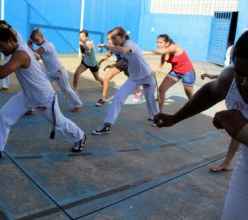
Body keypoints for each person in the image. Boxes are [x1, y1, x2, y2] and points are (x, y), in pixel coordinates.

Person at [154, 31, 248, 219]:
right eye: (240, 73)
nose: (245, 84)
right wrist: (175, 118)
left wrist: (244, 133)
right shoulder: (230, 78)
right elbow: (210, 92)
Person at [0, 28, 86, 161]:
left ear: (10, 41)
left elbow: (1, 73)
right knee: (3, 115)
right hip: (27, 96)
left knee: (59, 123)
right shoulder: (19, 43)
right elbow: (15, 33)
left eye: (1, 45)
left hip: (43, 97)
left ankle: (80, 137)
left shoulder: (20, 54)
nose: (0, 49)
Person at [92, 27, 159, 135]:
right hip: (133, 78)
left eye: (115, 38)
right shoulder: (120, 46)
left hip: (146, 76)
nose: (113, 40)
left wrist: (106, 45)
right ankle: (107, 125)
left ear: (123, 36)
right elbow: (125, 59)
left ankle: (156, 118)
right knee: (118, 97)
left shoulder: (129, 43)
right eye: (112, 38)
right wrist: (113, 65)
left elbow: (123, 51)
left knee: (150, 99)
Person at [28, 28, 83, 112]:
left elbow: (34, 53)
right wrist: (30, 46)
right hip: (50, 73)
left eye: (37, 40)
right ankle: (31, 107)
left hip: (59, 72)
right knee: (38, 86)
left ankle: (78, 105)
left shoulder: (47, 45)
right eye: (34, 41)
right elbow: (36, 57)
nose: (36, 42)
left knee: (66, 89)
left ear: (42, 36)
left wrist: (29, 46)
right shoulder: (42, 47)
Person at [144, 34, 196, 113]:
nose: (158, 44)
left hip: (187, 73)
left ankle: (195, 107)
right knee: (161, 90)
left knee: (190, 96)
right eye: (157, 42)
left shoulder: (174, 47)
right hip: (175, 72)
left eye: (161, 43)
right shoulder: (164, 50)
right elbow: (163, 57)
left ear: (167, 43)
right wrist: (160, 67)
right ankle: (159, 112)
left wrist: (141, 52)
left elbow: (159, 52)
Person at [95, 30, 143, 107]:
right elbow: (109, 54)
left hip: (128, 65)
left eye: (110, 39)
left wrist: (113, 64)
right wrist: (101, 61)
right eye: (107, 39)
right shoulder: (112, 46)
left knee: (133, 81)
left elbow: (125, 60)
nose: (108, 41)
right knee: (106, 77)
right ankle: (103, 98)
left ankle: (138, 92)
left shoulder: (122, 46)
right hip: (119, 64)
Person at [0, 20, 25, 92]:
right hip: (16, 52)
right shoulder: (6, 32)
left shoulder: (12, 30)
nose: (1, 28)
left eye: (2, 26)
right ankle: (4, 86)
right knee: (7, 66)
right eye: (0, 27)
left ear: (6, 24)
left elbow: (12, 35)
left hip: (22, 51)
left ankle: (5, 86)